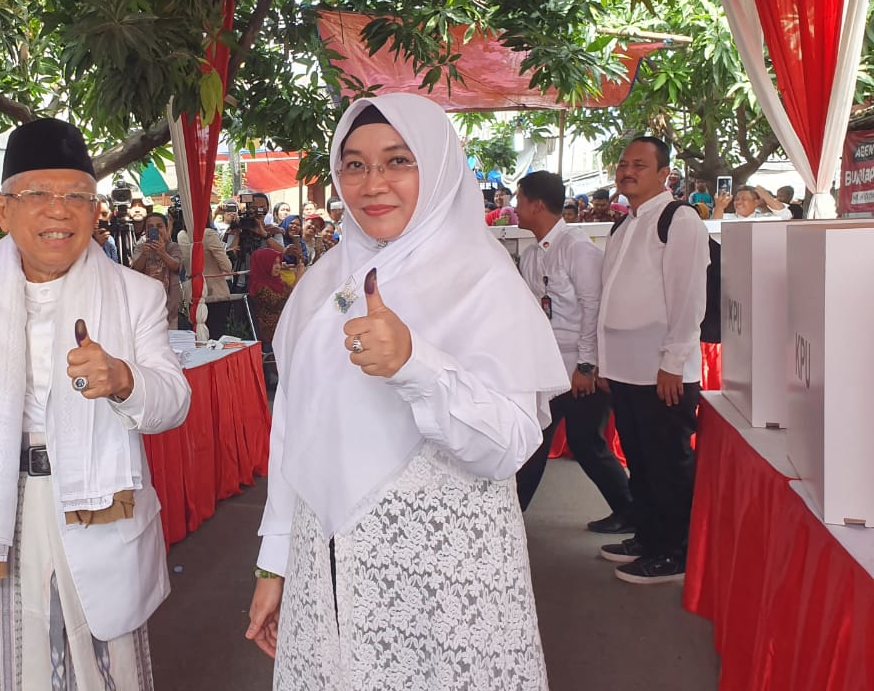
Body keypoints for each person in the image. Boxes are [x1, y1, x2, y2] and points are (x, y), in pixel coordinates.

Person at [245, 94, 567, 689]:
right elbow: (291, 430)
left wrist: (416, 364)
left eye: (398, 160)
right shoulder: (323, 285)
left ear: (438, 166)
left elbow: (508, 446)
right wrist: (274, 563)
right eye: (356, 164)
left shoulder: (482, 280)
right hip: (331, 567)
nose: (374, 184)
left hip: (449, 574)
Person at [0, 117, 191, 690]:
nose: (60, 211)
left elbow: (173, 402)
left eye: (77, 196)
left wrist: (125, 379)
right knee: (8, 670)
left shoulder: (135, 295)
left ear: (96, 210)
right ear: (3, 210)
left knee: (108, 673)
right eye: (39, 195)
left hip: (99, 516)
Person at [597, 136, 709, 585]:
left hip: (662, 372)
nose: (627, 171)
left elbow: (687, 296)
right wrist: (606, 365)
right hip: (625, 371)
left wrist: (674, 361)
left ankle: (673, 552)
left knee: (667, 464)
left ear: (665, 173)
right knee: (640, 462)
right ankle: (647, 536)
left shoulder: (677, 219)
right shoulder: (623, 225)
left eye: (639, 164)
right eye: (623, 163)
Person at [512, 171, 634, 532]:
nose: (515, 209)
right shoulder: (534, 255)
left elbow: (594, 309)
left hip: (581, 368)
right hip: (548, 365)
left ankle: (629, 509)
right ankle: (511, 518)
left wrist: (587, 364)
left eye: (519, 201)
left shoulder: (576, 248)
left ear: (536, 204)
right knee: (537, 440)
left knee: (585, 442)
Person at [130, 212, 183, 329]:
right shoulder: (140, 248)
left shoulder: (173, 247)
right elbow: (135, 271)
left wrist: (162, 253)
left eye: (159, 226)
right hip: (146, 308)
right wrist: (144, 255)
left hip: (170, 307)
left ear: (166, 228)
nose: (156, 230)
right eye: (150, 227)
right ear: (145, 230)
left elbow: (176, 266)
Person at [247, 248, 302, 344]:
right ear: (263, 264)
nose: (277, 267)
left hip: (286, 326)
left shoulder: (279, 282)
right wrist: (298, 278)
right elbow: (284, 302)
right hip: (273, 332)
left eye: (278, 263)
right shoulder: (260, 287)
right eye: (273, 263)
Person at [712, 185, 791, 221]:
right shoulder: (727, 218)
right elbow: (714, 227)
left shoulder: (764, 219)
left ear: (756, 202)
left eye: (744, 199)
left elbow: (785, 215)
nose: (738, 202)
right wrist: (719, 207)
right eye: (736, 199)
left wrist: (766, 195)